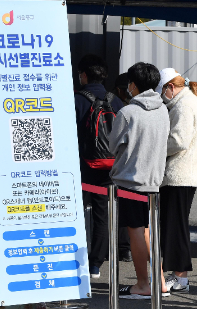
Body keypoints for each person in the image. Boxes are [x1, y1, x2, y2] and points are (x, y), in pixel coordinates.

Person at [110, 62, 171, 299]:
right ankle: (160, 281)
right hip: (154, 180)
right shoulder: (163, 110)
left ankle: (143, 283)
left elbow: (113, 145)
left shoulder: (127, 112)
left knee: (135, 231)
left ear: (133, 85)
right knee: (146, 231)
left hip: (130, 180)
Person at [74, 54, 126, 278]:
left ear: (84, 75)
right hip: (109, 166)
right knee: (101, 214)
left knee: (75, 212)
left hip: (82, 166)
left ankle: (74, 261)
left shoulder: (76, 99)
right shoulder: (116, 101)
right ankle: (95, 264)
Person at [156, 68, 197, 294]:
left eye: (162, 92)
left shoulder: (184, 104)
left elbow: (178, 140)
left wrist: (155, 148)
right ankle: (178, 275)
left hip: (179, 175)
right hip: (184, 174)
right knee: (177, 227)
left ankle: (180, 277)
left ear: (170, 88)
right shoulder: (188, 100)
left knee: (175, 228)